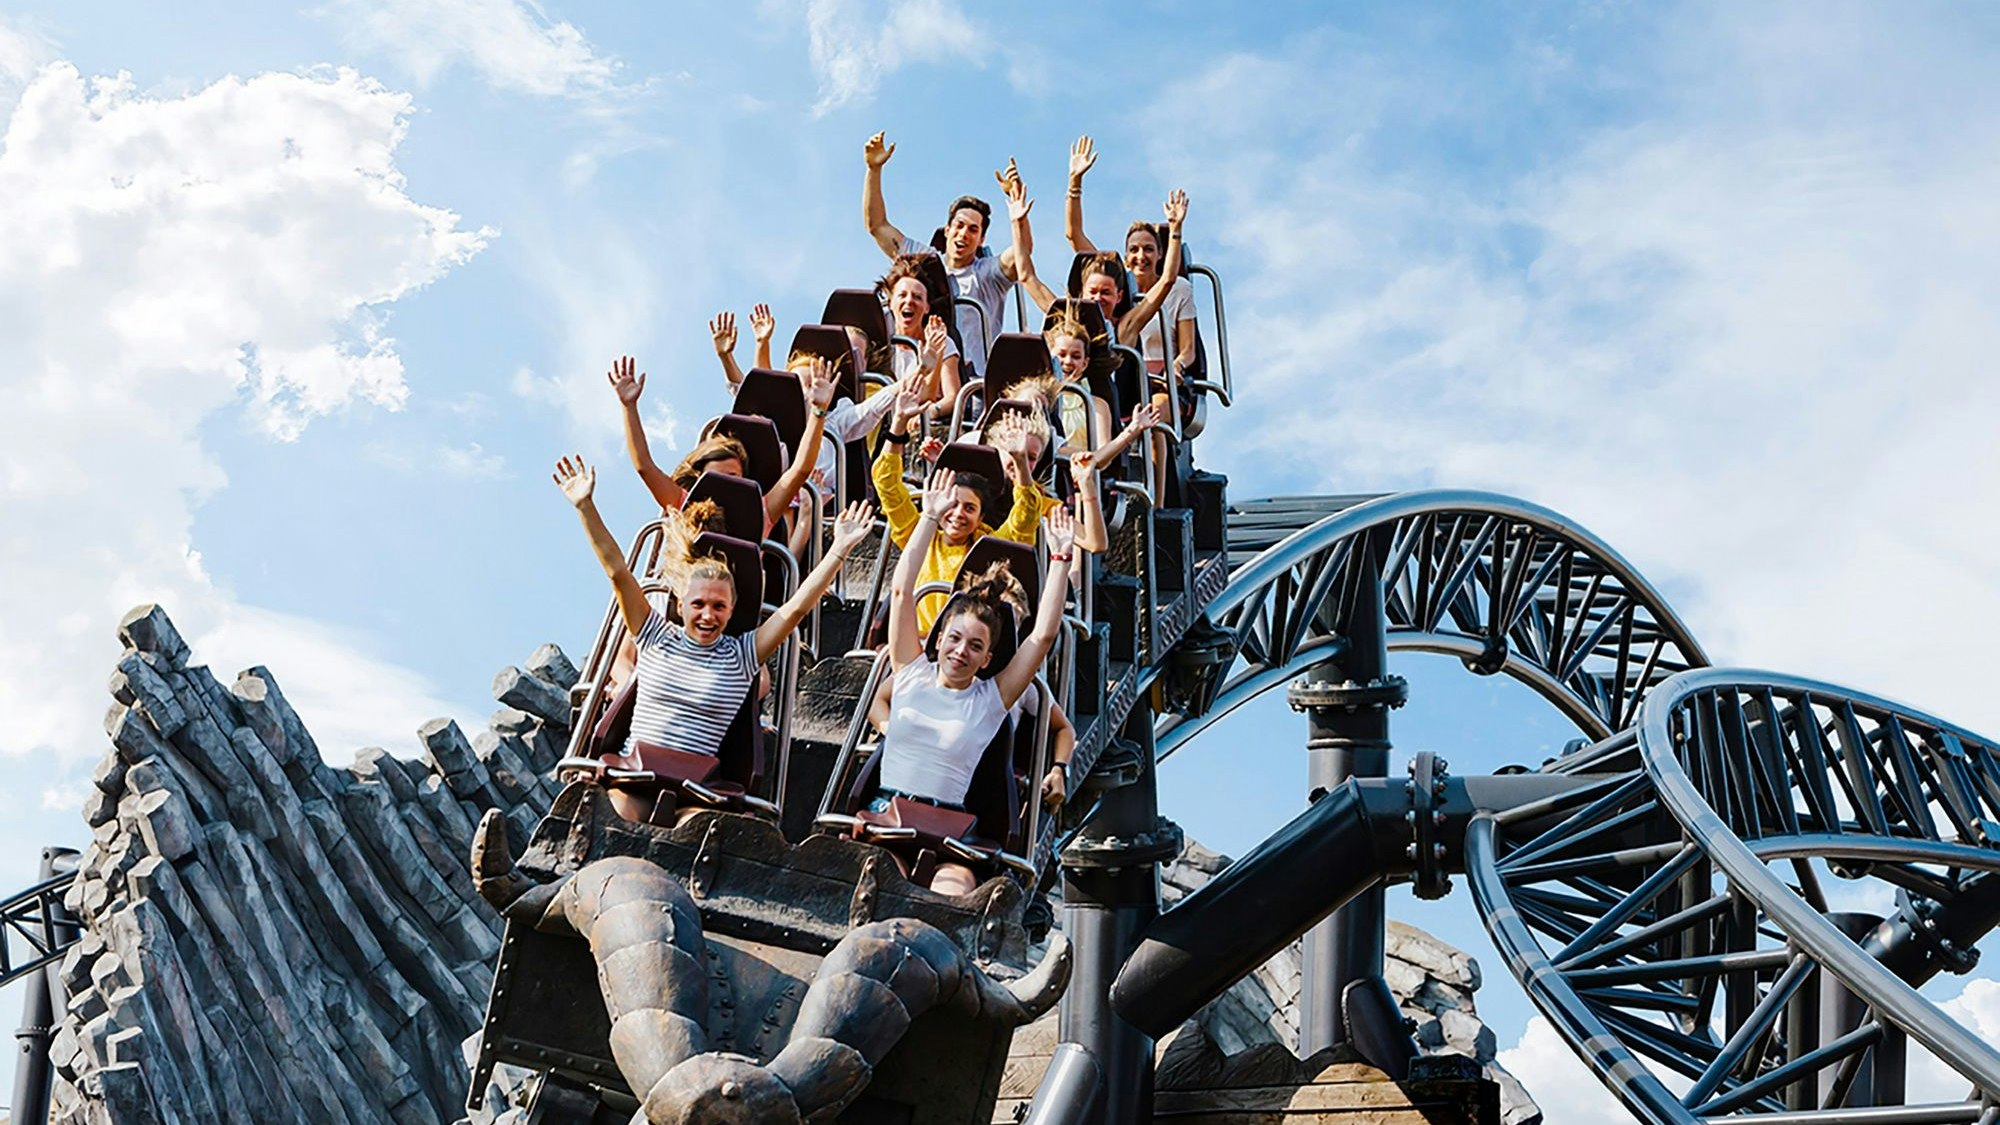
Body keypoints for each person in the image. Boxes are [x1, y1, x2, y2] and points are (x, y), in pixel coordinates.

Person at [552, 454, 875, 824]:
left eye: (719, 606)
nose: (708, 615)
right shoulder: (655, 634)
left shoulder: (742, 653)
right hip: (635, 774)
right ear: (681, 604)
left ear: (732, 609)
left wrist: (838, 550)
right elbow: (617, 571)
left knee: (702, 832)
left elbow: (796, 610)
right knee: (613, 819)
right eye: (700, 604)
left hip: (697, 790)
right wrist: (585, 506)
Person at [869, 467, 1076, 894]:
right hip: (888, 816)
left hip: (950, 831)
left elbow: (1042, 637)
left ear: (986, 660)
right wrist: (928, 518)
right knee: (877, 878)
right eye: (956, 639)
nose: (961, 651)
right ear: (940, 638)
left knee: (952, 893)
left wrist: (1059, 560)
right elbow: (902, 594)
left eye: (975, 646)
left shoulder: (989, 700)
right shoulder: (910, 671)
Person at [873, 384, 1044, 634]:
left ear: (981, 517)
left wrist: (1020, 462)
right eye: (952, 504)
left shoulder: (987, 545)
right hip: (917, 642)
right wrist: (898, 425)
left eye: (969, 508)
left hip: (962, 646)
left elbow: (1025, 518)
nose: (958, 514)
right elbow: (887, 483)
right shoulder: (920, 534)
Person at [607, 354, 835, 535]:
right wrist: (629, 407)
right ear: (700, 478)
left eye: (734, 477)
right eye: (717, 477)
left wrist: (818, 411)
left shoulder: (760, 514)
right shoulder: (684, 503)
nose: (725, 484)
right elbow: (644, 466)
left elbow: (801, 468)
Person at [863, 132, 1034, 374]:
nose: (964, 234)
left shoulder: (986, 275)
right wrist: (873, 169)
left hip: (971, 385)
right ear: (947, 230)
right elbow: (877, 225)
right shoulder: (924, 260)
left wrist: (1019, 217)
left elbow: (1022, 252)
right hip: (917, 375)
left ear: (981, 238)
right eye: (959, 226)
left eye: (973, 230)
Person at [1063, 136, 1199, 379]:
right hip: (1120, 371)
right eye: (1134, 250)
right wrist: (1075, 182)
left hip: (1161, 375)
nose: (1141, 256)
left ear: (1160, 253)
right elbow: (1074, 235)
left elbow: (1188, 349)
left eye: (1148, 249)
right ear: (1126, 257)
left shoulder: (1177, 288)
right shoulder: (1112, 284)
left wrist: (1176, 229)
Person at [879, 255, 961, 407]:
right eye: (902, 295)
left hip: (924, 420)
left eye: (917, 297)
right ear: (890, 303)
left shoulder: (941, 341)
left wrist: (933, 411)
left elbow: (952, 397)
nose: (909, 301)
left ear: (926, 307)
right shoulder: (880, 345)